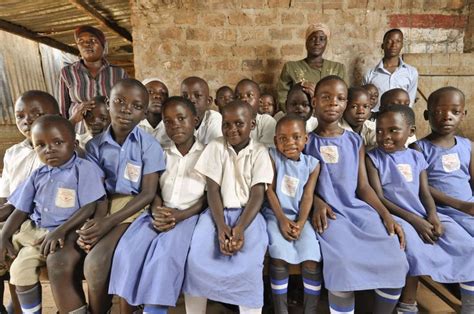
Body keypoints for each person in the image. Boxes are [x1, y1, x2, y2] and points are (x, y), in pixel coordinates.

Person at [304, 76, 408, 314]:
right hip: (329, 214)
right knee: (342, 262)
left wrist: (386, 214)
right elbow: (300, 185)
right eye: (326, 97)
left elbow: (363, 187)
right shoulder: (306, 141)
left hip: (357, 209)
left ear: (346, 104)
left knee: (395, 256)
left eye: (340, 99)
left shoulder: (354, 140)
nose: (333, 103)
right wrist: (317, 202)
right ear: (315, 101)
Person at [366, 104, 474, 314]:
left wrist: (433, 216)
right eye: (379, 131)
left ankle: (469, 308)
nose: (384, 136)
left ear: (411, 132)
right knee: (412, 251)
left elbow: (425, 193)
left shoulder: (417, 157)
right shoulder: (373, 159)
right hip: (397, 216)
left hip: (424, 213)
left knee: (467, 246)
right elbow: (379, 198)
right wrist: (416, 222)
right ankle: (407, 306)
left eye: (393, 130)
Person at [109, 97, 207, 313]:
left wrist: (180, 216)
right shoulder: (161, 151)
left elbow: (208, 197)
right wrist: (157, 209)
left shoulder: (207, 154)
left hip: (189, 216)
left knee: (164, 255)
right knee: (129, 248)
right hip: (160, 211)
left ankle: (154, 309)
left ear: (195, 121)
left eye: (181, 118)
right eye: (169, 121)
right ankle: (130, 305)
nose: (175, 125)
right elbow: (153, 188)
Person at [0, 115, 106, 313]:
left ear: (74, 143)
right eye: (40, 145)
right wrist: (4, 235)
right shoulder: (38, 174)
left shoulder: (84, 169)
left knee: (22, 267)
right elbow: (20, 208)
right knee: (10, 263)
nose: (49, 149)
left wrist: (61, 231)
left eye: (57, 142)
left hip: (60, 233)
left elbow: (90, 207)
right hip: (30, 229)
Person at [78, 79, 165, 313]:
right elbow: (97, 193)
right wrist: (95, 224)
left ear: (144, 113)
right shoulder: (94, 147)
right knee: (94, 258)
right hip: (103, 206)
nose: (126, 109)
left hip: (137, 207)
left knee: (98, 262)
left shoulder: (149, 146)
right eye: (119, 101)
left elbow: (148, 193)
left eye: (136, 106)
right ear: (108, 104)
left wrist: (107, 223)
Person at [183, 100, 273, 313]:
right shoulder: (216, 146)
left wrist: (239, 228)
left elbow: (257, 194)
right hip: (216, 214)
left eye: (239, 123)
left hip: (249, 216)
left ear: (252, 125)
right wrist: (222, 227)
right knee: (196, 260)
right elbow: (212, 190)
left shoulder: (260, 152)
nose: (232, 129)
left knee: (249, 266)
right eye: (227, 124)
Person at [0, 91, 61, 313]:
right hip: (13, 217)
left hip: (39, 223)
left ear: (57, 115)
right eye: (20, 116)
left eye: (36, 113)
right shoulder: (12, 153)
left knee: (19, 261)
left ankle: (18, 307)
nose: (27, 120)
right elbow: (5, 195)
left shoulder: (61, 150)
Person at [264, 116, 321, 314]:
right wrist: (281, 219)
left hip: (300, 218)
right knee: (278, 255)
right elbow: (269, 190)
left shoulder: (312, 165)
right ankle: (281, 310)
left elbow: (308, 196)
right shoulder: (271, 157)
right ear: (275, 141)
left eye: (296, 137)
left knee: (312, 257)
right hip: (274, 214)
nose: (290, 143)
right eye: (283, 138)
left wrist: (301, 222)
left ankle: (310, 310)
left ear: (306, 139)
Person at [58, 25, 128, 133]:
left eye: (93, 40)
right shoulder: (67, 72)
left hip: (110, 132)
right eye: (81, 41)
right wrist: (66, 128)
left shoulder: (118, 73)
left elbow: (125, 105)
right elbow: (62, 110)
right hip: (79, 133)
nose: (86, 44)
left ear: (103, 45)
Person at [276, 23, 348, 111]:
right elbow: (282, 99)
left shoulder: (338, 68)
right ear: (306, 41)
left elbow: (344, 97)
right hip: (300, 118)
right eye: (313, 38)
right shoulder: (291, 68)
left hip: (331, 118)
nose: (317, 42)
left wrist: (317, 96)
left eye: (322, 39)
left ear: (326, 43)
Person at [364, 29, 418, 111]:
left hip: (400, 119)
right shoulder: (370, 74)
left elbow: (409, 102)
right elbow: (365, 101)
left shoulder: (411, 72)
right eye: (389, 41)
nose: (394, 45)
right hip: (377, 121)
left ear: (402, 45)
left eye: (398, 41)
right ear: (383, 45)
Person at [235, 79, 276, 147]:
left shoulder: (267, 122)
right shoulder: (230, 124)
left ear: (259, 101)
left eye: (249, 95)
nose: (243, 99)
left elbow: (265, 153)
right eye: (238, 97)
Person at [137, 78, 169, 146]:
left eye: (163, 93)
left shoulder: (173, 126)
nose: (157, 96)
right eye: (150, 92)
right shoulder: (133, 126)